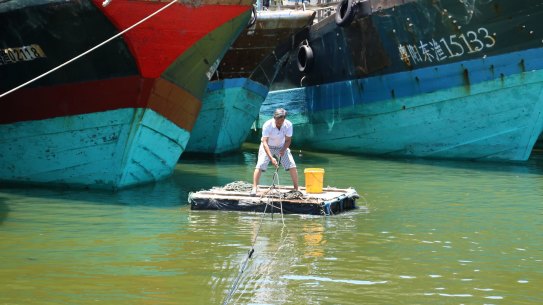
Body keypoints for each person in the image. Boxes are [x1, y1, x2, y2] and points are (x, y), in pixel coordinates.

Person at [251, 108, 299, 196]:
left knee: (292, 165)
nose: (279, 123)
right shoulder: (267, 125)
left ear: (284, 119)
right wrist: (271, 158)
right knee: (260, 165)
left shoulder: (288, 125)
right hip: (267, 146)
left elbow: (288, 140)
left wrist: (283, 150)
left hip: (281, 146)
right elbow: (264, 142)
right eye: (278, 120)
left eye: (282, 121)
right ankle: (254, 188)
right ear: (274, 118)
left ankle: (296, 188)